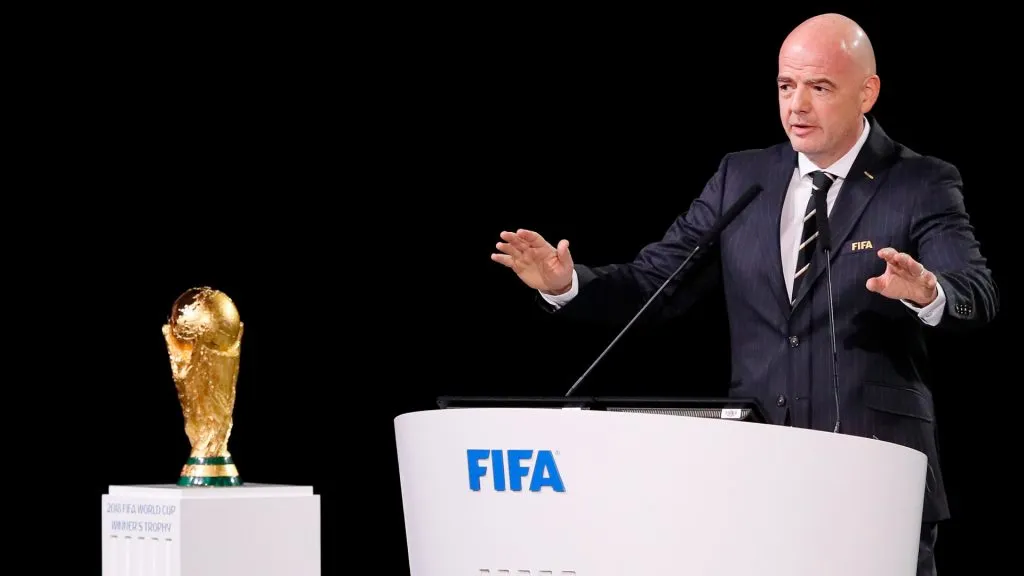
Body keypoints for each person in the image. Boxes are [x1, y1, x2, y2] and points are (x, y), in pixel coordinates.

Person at [491, 13, 997, 576]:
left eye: (820, 87)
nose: (796, 106)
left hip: (876, 476)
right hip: (757, 477)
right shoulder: (742, 177)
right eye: (786, 86)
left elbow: (974, 293)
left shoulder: (920, 181)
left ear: (867, 92)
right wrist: (567, 283)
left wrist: (928, 291)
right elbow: (657, 281)